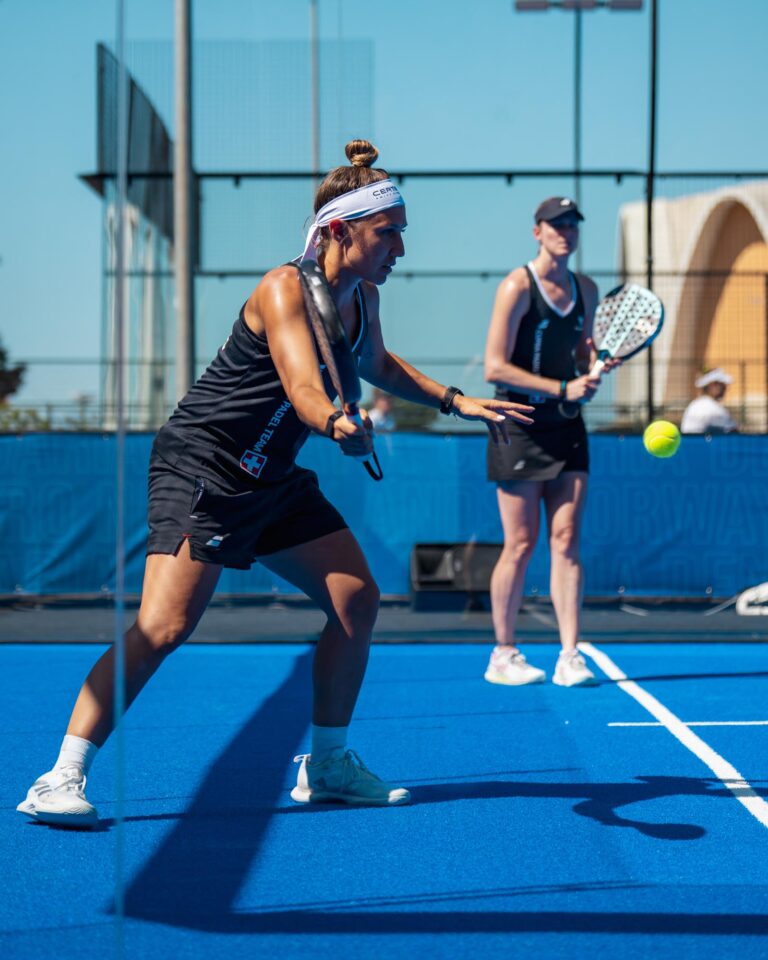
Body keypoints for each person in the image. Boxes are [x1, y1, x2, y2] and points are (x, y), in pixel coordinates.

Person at [17, 140, 533, 827]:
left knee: (356, 600)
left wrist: (455, 400)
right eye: (389, 233)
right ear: (339, 231)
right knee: (163, 627)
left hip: (273, 477)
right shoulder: (283, 288)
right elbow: (302, 386)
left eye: (401, 233)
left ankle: (328, 767)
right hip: (205, 466)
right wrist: (337, 423)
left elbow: (377, 363)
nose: (400, 249)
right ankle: (58, 777)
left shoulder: (364, 296)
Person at [483, 196, 619, 689]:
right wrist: (563, 387)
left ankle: (570, 655)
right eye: (556, 224)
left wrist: (594, 366)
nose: (566, 231)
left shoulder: (587, 288)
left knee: (566, 541)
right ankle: (503, 653)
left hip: (567, 427)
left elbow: (581, 355)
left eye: (572, 224)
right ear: (537, 231)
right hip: (517, 424)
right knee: (520, 543)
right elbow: (495, 366)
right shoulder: (517, 285)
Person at [680, 368, 738, 434]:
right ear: (713, 385)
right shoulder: (714, 409)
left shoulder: (694, 404)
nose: (725, 389)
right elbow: (733, 432)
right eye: (723, 385)